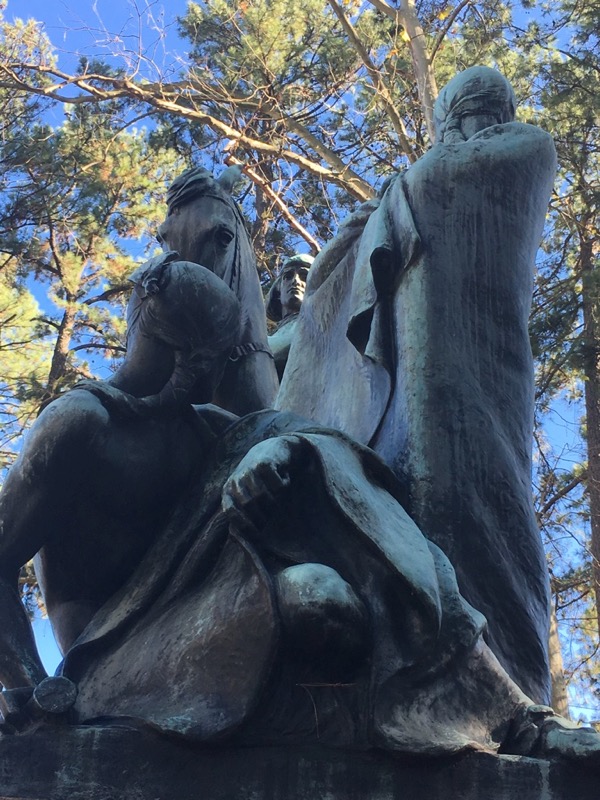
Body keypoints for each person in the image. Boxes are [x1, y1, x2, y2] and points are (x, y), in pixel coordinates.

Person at [276, 66, 557, 703]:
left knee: (485, 505)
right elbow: (326, 278)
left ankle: (512, 690)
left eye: (481, 105)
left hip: (482, 369)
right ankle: (429, 681)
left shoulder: (526, 147)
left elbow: (440, 184)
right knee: (418, 504)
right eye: (460, 111)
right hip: (416, 375)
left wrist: (391, 196)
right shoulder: (414, 184)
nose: (470, 121)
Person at [266, 254, 314, 380]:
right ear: (278, 288)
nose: (296, 281)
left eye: (304, 276)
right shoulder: (268, 336)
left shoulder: (317, 326)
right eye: (288, 276)